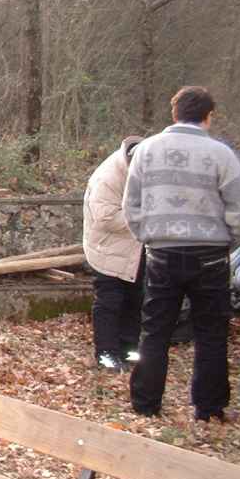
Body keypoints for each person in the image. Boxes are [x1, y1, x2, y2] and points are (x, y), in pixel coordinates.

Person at [123, 86, 240, 422]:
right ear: (208, 117)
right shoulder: (221, 154)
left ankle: (145, 404)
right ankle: (209, 408)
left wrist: (147, 236)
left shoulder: (146, 150)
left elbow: (131, 204)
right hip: (210, 255)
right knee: (211, 333)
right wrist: (228, 243)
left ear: (174, 113)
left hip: (161, 253)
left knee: (154, 331)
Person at [82, 136, 144, 372]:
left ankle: (129, 349)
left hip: (137, 247)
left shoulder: (148, 169)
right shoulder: (109, 177)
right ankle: (106, 353)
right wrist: (145, 217)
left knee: (136, 298)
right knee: (110, 301)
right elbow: (106, 218)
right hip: (107, 248)